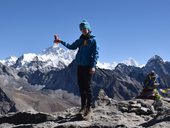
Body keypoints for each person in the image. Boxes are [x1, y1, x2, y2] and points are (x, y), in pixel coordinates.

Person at [54, 20, 99, 117]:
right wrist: (60, 41)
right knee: (81, 86)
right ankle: (83, 107)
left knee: (87, 87)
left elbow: (96, 54)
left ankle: (89, 108)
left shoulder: (93, 40)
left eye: (84, 28)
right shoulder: (81, 40)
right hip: (80, 66)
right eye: (81, 29)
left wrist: (93, 66)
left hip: (88, 66)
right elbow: (71, 46)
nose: (83, 30)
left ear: (88, 29)